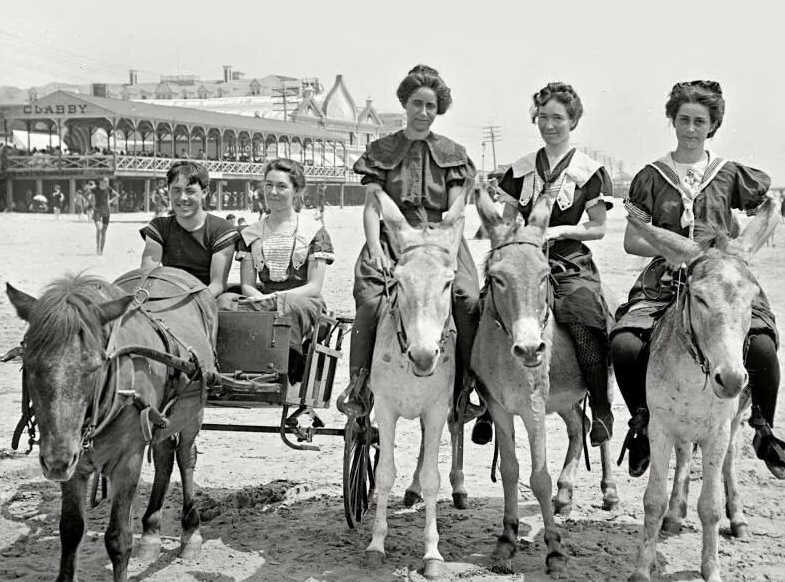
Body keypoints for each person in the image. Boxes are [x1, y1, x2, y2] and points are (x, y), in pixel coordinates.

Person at [611, 79, 785, 484]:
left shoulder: (729, 173)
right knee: (624, 344)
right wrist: (669, 248)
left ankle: (764, 431)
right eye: (683, 119)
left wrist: (741, 252)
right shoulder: (651, 176)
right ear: (672, 121)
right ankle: (641, 422)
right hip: (664, 278)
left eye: (700, 121)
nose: (691, 128)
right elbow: (630, 239)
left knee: (762, 345)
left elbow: (768, 208)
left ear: (713, 125)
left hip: (722, 279)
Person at [337, 64, 479, 421]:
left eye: (431, 106)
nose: (423, 113)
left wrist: (447, 251)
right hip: (391, 237)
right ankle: (359, 384)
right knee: (370, 301)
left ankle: (465, 389)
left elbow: (457, 213)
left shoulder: (453, 153)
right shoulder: (382, 150)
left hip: (442, 240)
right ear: (405, 104)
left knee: (467, 299)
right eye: (417, 104)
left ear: (438, 109)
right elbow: (373, 208)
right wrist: (373, 249)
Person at [478, 81, 615, 447]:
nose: (549, 124)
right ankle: (482, 401)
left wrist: (557, 231)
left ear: (573, 121)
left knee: (585, 312)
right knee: (478, 309)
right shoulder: (520, 170)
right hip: (521, 257)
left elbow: (599, 228)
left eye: (558, 117)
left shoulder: (589, 171)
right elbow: (506, 220)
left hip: (568, 259)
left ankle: (600, 407)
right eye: (543, 117)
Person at [220, 158, 334, 381]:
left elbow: (314, 286)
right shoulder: (251, 233)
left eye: (281, 186)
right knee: (223, 303)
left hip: (303, 301)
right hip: (264, 299)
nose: (273, 192)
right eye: (268, 185)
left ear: (297, 190)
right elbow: (247, 285)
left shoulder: (314, 231)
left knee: (287, 305)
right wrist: (264, 300)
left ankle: (288, 364)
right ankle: (229, 366)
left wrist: (278, 298)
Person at [139, 161, 238, 298]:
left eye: (190, 191)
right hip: (167, 295)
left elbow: (217, 285)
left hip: (206, 298)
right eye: (176, 190)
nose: (182, 197)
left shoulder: (221, 230)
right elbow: (147, 274)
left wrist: (185, 305)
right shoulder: (159, 227)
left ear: (205, 192)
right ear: (169, 192)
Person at [92, 177, 119, 255]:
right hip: (97, 210)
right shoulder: (95, 189)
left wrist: (109, 201)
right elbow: (87, 195)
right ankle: (97, 247)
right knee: (99, 228)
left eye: (107, 181)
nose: (107, 182)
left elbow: (117, 195)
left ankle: (101, 250)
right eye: (105, 181)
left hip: (106, 211)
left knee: (103, 232)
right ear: (100, 182)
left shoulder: (109, 189)